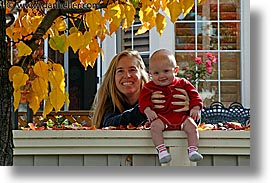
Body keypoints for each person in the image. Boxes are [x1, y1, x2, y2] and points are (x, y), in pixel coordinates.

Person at [90, 49, 190, 129]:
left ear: (142, 74)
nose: (127, 75)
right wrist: (143, 110)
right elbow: (107, 124)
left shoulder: (158, 94)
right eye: (120, 71)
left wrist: (189, 109)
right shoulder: (109, 102)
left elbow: (190, 122)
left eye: (132, 70)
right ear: (113, 77)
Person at [138, 49, 203, 164]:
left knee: (192, 126)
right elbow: (143, 100)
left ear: (176, 70)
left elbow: (194, 95)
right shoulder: (149, 87)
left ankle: (193, 149)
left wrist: (196, 108)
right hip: (162, 118)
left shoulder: (183, 83)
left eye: (166, 71)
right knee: (154, 127)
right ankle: (162, 151)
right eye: (156, 73)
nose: (161, 76)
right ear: (150, 74)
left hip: (181, 117)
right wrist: (147, 110)